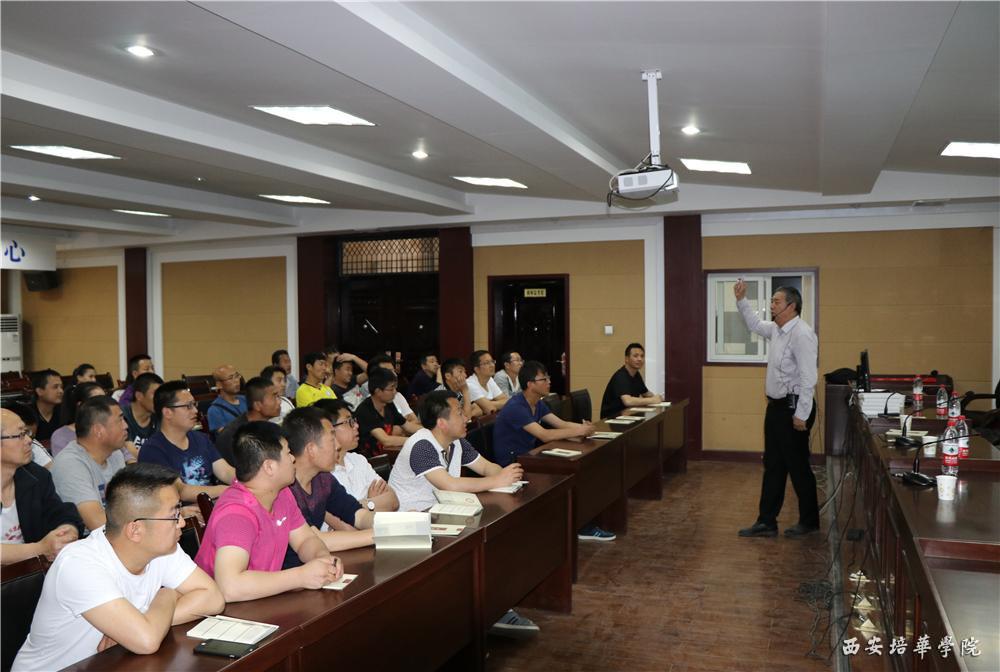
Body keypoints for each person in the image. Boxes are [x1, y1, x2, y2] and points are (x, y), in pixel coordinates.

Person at [13, 463, 224, 672]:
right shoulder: (79, 564)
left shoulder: (162, 548)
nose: (182, 523)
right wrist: (167, 594)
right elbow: (146, 640)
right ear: (135, 530)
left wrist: (142, 623)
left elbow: (212, 598)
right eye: (173, 515)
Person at [386, 390, 535, 636]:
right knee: (477, 548)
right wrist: (497, 479)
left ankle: (491, 608)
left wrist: (506, 476)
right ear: (442, 423)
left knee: (493, 538)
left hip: (440, 517)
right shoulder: (421, 445)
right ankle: (481, 614)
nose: (467, 417)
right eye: (459, 413)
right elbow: (449, 485)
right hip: (412, 526)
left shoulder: (456, 442)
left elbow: (485, 467)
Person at [193, 422, 343, 602]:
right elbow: (230, 587)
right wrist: (300, 576)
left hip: (261, 600)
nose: (293, 459)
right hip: (224, 610)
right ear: (269, 466)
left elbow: (305, 540)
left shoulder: (282, 493)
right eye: (288, 453)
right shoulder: (236, 513)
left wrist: (323, 560)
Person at [733, 281, 820, 538]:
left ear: (791, 306)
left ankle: (809, 521)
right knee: (773, 465)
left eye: (776, 301)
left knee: (797, 466)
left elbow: (809, 378)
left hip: (794, 408)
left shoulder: (802, 334)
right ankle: (767, 522)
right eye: (771, 301)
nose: (771, 305)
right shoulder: (777, 329)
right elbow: (754, 324)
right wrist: (742, 300)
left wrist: (802, 414)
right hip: (776, 408)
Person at [494, 361, 615, 542]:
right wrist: (578, 431)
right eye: (544, 379)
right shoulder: (516, 407)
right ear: (530, 384)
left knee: (580, 470)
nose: (549, 382)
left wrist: (584, 428)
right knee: (566, 475)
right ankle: (575, 526)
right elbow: (544, 435)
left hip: (531, 457)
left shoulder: (538, 403)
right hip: (513, 463)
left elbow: (561, 424)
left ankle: (578, 524)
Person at [283, 407, 375, 566]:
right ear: (311, 449)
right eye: (332, 439)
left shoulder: (323, 479)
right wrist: (381, 534)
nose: (338, 446)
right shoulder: (285, 488)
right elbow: (315, 539)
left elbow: (358, 515)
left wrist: (398, 524)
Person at [1, 408, 83, 565]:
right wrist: (40, 548)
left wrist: (66, 530)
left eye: (27, 433)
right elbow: (42, 548)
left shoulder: (36, 476)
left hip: (33, 572)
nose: (29, 440)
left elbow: (60, 512)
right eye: (20, 435)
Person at [139, 381, 234, 500]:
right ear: (167, 412)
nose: (195, 411)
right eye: (188, 406)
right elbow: (181, 491)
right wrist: (226, 490)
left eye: (194, 404)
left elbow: (225, 471)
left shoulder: (201, 438)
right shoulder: (152, 450)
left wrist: (247, 483)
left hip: (212, 503)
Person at [51, 396, 129, 531]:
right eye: (120, 420)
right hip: (87, 538)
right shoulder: (69, 464)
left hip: (118, 531)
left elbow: (128, 503)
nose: (126, 426)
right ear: (98, 430)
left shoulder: (115, 453)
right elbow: (97, 523)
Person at [315, 399, 399, 510]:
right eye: (349, 422)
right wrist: (371, 502)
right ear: (328, 429)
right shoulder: (321, 474)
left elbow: (393, 501)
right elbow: (341, 516)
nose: (356, 426)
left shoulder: (358, 460)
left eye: (354, 421)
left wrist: (368, 503)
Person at [354, 367, 421, 457]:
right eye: (391, 389)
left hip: (388, 455)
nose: (395, 392)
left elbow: (408, 426)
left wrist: (430, 431)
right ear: (378, 391)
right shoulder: (365, 410)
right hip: (372, 460)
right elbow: (385, 440)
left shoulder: (388, 405)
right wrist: (416, 440)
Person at [215, 377, 282, 465]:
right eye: (274, 397)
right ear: (258, 405)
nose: (279, 402)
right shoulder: (233, 436)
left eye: (278, 396)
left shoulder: (271, 428)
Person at [599, 343, 663, 419]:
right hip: (612, 419)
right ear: (626, 359)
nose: (640, 359)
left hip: (627, 416)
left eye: (642, 356)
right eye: (635, 356)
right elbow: (628, 401)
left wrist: (658, 398)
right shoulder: (621, 376)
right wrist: (652, 400)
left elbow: (646, 393)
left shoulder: (636, 374)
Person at [50, 382, 106, 457]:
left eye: (105, 400)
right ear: (81, 405)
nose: (106, 405)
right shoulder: (61, 436)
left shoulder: (110, 428)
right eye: (98, 401)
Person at [123, 372, 163, 460]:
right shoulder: (122, 416)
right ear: (139, 396)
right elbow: (132, 454)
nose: (160, 399)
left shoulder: (160, 417)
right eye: (156, 394)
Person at [3, 401, 54, 469]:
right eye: (22, 434)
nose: (29, 440)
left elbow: (52, 470)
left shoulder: (33, 446)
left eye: (32, 437)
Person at [206, 364, 247, 433]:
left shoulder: (247, 399)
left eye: (237, 376)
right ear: (219, 384)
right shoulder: (215, 410)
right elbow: (225, 436)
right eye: (230, 378)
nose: (236, 380)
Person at [30, 369, 64, 442]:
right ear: (39, 391)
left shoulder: (65, 411)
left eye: (61, 387)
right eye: (55, 387)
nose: (61, 391)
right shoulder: (28, 414)